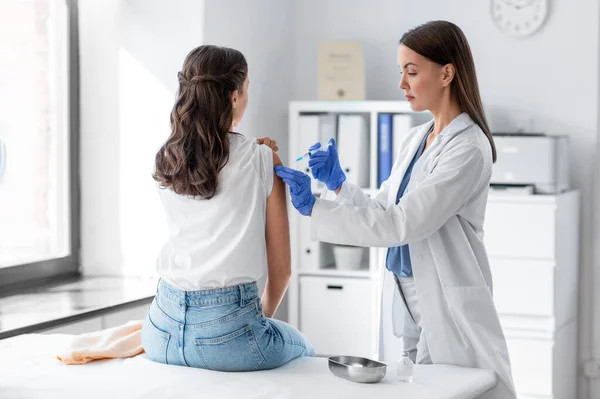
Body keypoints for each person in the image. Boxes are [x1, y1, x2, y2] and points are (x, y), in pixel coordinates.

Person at [274, 21, 516, 398]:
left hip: (443, 298)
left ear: (447, 73)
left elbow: (401, 224)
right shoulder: (415, 138)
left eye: (412, 71)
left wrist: (314, 208)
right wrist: (339, 185)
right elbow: (382, 209)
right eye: (400, 71)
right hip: (404, 293)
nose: (401, 83)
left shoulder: (468, 147)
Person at [143, 44, 314, 372]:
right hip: (228, 332)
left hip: (160, 329)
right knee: (305, 349)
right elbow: (282, 271)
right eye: (247, 89)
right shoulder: (262, 157)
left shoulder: (167, 158)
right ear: (234, 96)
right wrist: (248, 326)